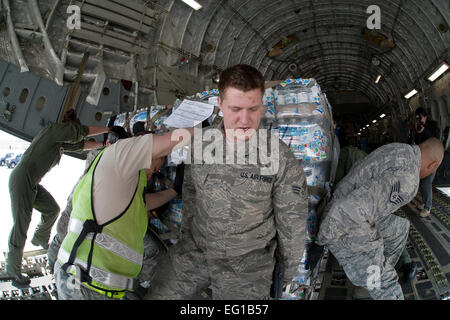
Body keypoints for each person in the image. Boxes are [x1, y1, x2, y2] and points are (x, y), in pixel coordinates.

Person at [145, 64, 309, 300]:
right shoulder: (201, 145)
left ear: (262, 104)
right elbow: (191, 195)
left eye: (253, 108)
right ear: (220, 104)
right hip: (197, 250)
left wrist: (283, 275)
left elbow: (292, 226)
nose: (245, 120)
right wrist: (187, 241)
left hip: (246, 264)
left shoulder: (280, 159)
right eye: (236, 109)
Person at [54, 125, 193, 300]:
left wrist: (173, 192)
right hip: (87, 285)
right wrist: (209, 129)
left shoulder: (121, 179)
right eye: (158, 164)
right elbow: (167, 141)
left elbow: (143, 205)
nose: (155, 173)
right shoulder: (120, 154)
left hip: (90, 285)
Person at [317, 138, 444, 300]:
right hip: (340, 224)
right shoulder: (409, 180)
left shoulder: (400, 148)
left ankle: (370, 280)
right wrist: (321, 239)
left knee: (400, 228)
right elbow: (351, 208)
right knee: (388, 285)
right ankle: (375, 279)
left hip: (344, 204)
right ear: (433, 166)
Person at [6, 109, 108, 287]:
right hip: (22, 179)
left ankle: (39, 238)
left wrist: (103, 145)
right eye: (72, 133)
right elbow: (80, 133)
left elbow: (80, 145)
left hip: (32, 183)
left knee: (52, 210)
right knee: (21, 224)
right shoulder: (53, 131)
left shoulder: (59, 143)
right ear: (68, 127)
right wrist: (108, 129)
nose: (73, 137)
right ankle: (13, 271)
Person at [47, 126, 130, 273]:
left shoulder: (95, 154)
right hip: (77, 211)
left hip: (75, 207)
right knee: (64, 243)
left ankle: (56, 269)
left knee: (62, 242)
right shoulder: (105, 158)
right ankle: (56, 270)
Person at [414, 107, 440, 218]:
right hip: (423, 157)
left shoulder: (433, 125)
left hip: (433, 157)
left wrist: (424, 129)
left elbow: (434, 139)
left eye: (420, 117)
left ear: (425, 116)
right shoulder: (419, 126)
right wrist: (418, 132)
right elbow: (417, 141)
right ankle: (425, 202)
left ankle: (428, 207)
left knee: (427, 182)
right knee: (423, 181)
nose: (419, 119)